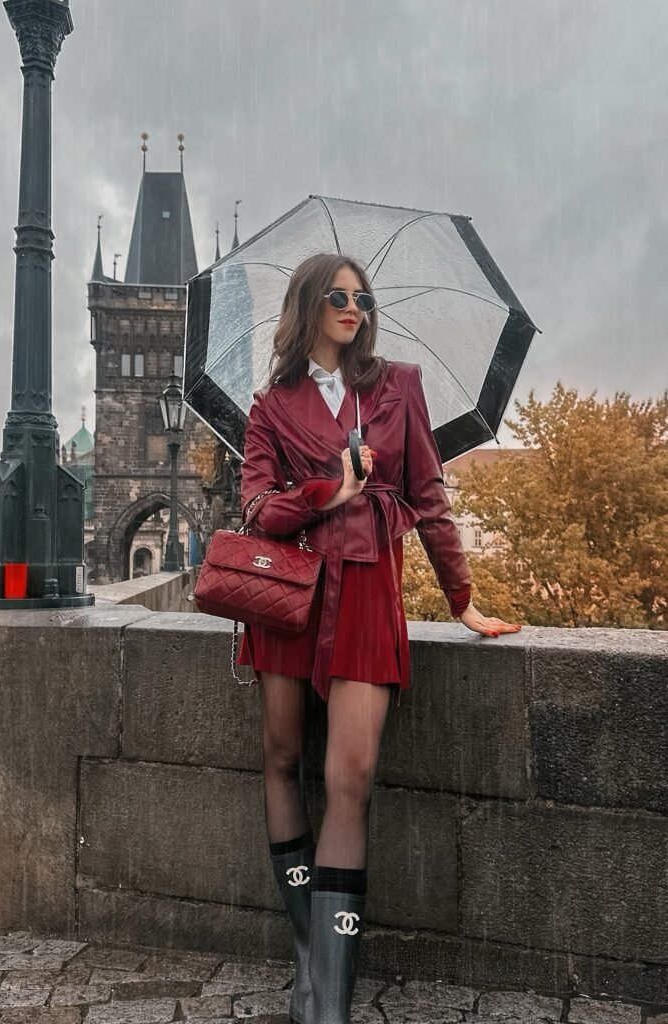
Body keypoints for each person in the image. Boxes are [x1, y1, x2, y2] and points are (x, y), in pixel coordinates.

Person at [237, 253, 521, 1024]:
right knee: (281, 759)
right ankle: (310, 962)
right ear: (307, 304)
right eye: (337, 296)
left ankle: (326, 1001)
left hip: (364, 597)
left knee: (348, 779)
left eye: (362, 299)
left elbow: (428, 498)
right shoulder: (271, 405)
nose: (353, 308)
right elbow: (258, 509)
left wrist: (462, 601)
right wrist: (330, 490)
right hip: (289, 598)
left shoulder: (398, 386)